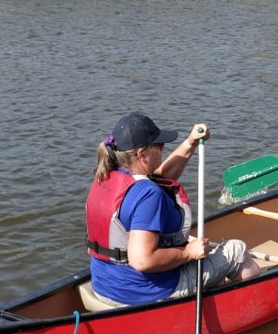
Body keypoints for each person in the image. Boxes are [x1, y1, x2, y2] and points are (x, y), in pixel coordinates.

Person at [86, 112, 259, 305]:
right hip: (144, 292)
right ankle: (244, 308)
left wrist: (190, 142)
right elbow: (142, 260)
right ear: (142, 154)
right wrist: (188, 253)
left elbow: (162, 176)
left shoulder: (105, 177)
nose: (162, 149)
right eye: (159, 146)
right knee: (237, 251)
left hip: (104, 286)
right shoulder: (148, 195)